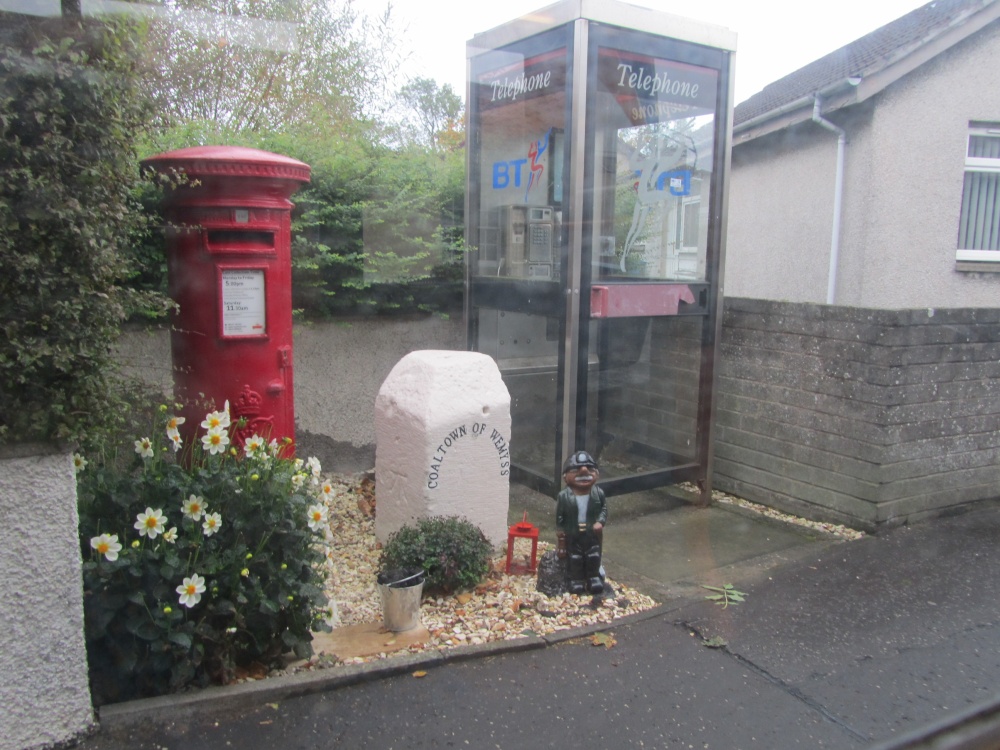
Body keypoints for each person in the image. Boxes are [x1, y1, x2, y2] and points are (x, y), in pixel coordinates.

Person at [555, 450, 607, 595]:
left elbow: (603, 510)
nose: (584, 472)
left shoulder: (598, 494)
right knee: (575, 557)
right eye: (576, 470)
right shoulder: (564, 496)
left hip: (591, 533)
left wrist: (600, 522)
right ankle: (576, 580)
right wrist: (561, 533)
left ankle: (593, 578)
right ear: (566, 477)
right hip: (574, 533)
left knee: (594, 555)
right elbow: (560, 516)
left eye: (590, 469)